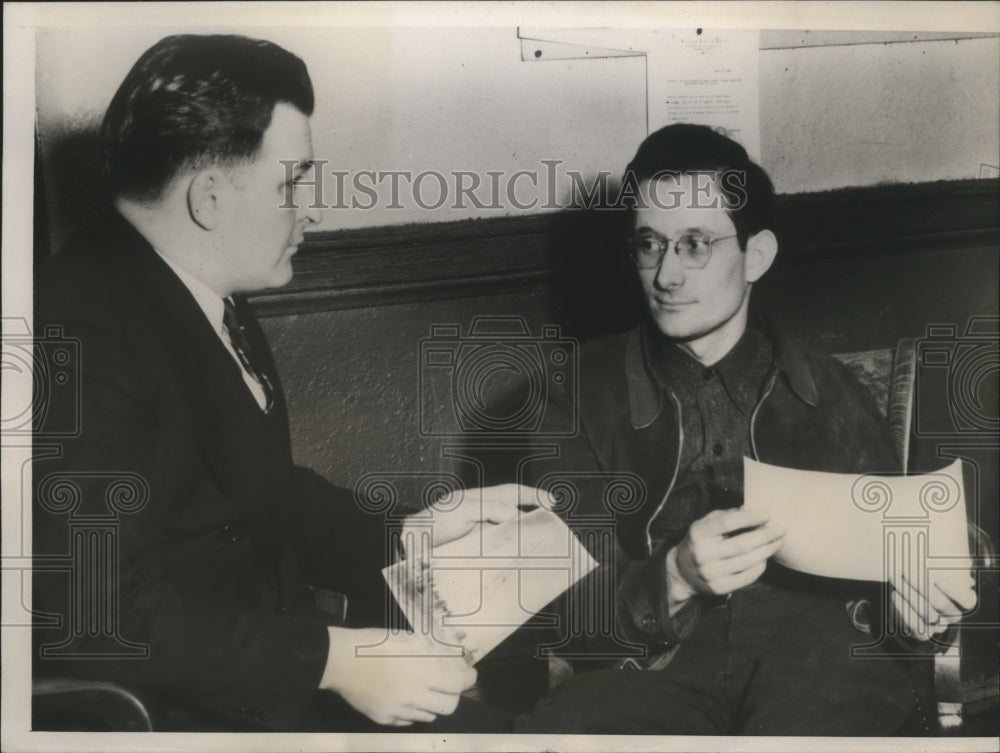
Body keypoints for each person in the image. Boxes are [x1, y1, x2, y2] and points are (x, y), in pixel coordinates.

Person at [32, 34, 528, 732]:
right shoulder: (79, 329)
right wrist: (335, 660)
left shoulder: (194, 289)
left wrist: (411, 532)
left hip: (251, 682)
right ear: (208, 196)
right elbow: (92, 613)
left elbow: (246, 493)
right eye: (292, 183)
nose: (312, 210)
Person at [512, 124, 978, 735]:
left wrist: (917, 607)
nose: (666, 275)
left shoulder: (833, 392)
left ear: (756, 255)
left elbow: (894, 578)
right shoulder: (569, 394)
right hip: (653, 674)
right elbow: (562, 613)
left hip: (819, 666)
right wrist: (675, 574)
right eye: (650, 244)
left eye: (696, 244)